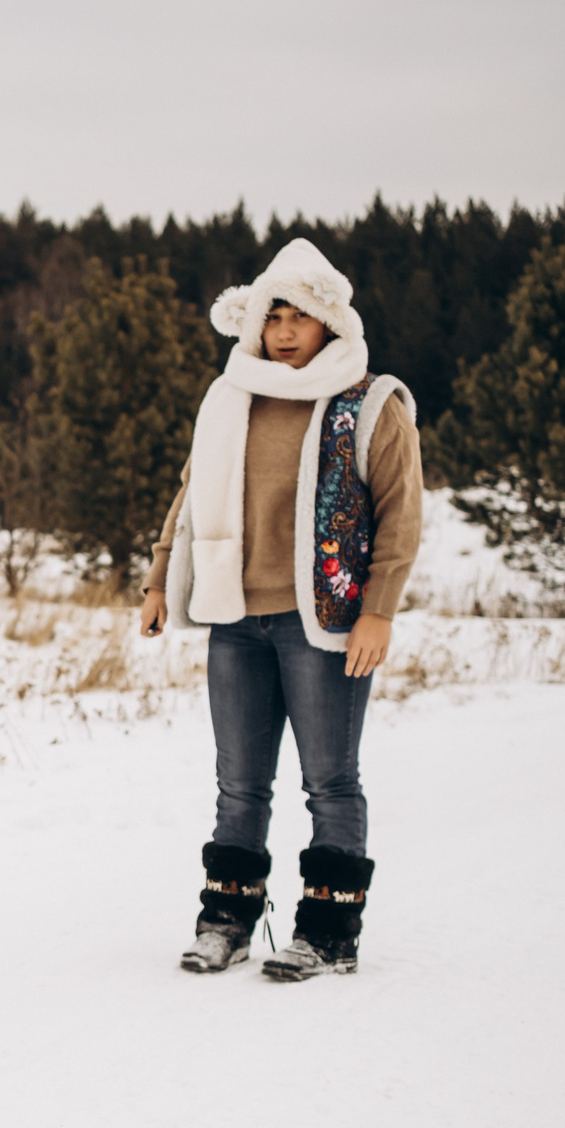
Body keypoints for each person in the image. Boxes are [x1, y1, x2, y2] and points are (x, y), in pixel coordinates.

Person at [138, 238, 423, 980]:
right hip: (235, 619)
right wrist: (161, 578)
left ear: (330, 321)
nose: (285, 330)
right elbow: (191, 491)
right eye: (274, 315)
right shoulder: (231, 395)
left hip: (322, 623)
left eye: (301, 316)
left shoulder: (369, 401)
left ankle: (328, 932)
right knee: (239, 783)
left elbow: (401, 513)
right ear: (256, 323)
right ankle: (226, 919)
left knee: (329, 780)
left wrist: (379, 612)